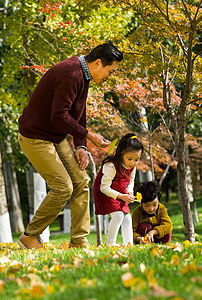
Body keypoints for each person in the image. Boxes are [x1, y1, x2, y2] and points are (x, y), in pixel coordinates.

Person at [17, 42, 123, 249]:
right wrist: (90, 136)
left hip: (55, 138)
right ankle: (29, 236)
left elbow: (78, 113)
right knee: (63, 187)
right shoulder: (71, 74)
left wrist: (81, 146)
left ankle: (78, 241)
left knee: (81, 182)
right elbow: (59, 116)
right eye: (110, 72)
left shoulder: (84, 75)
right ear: (99, 63)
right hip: (35, 137)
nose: (110, 77)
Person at [93, 133, 144, 246]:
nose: (132, 163)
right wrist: (121, 196)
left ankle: (129, 244)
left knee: (127, 218)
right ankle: (110, 245)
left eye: (136, 159)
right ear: (122, 153)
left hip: (121, 192)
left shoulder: (132, 167)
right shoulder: (111, 166)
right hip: (105, 192)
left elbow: (131, 181)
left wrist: (129, 192)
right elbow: (104, 187)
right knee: (118, 216)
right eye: (129, 158)